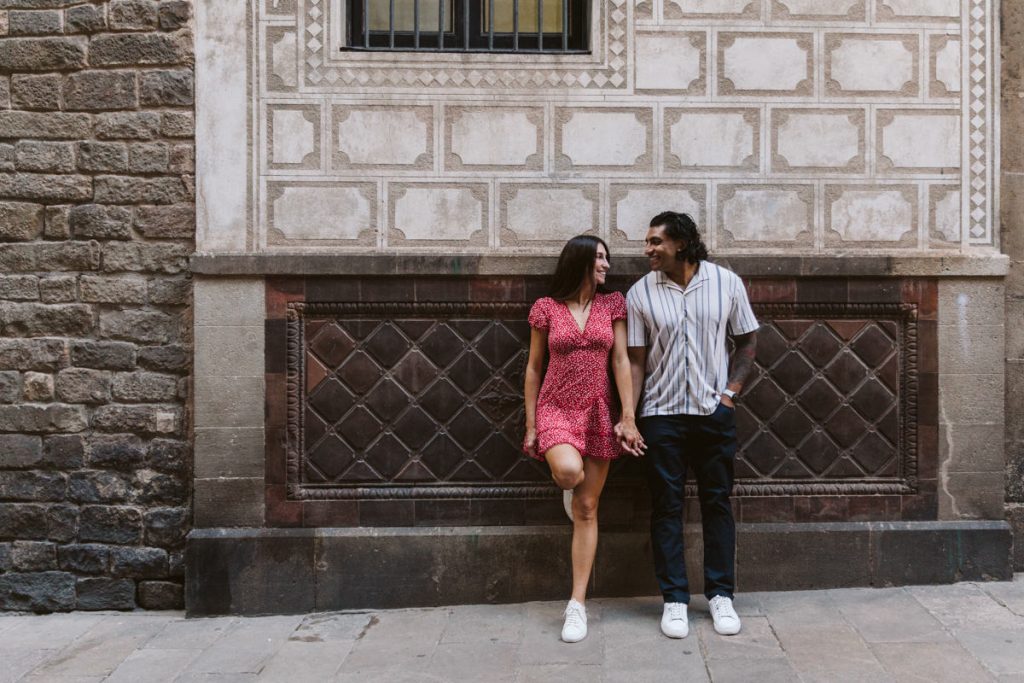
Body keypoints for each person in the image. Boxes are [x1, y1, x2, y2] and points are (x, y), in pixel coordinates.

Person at [623, 211, 758, 639]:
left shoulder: (726, 283)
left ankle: (721, 596)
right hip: (661, 415)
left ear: (680, 243)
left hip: (712, 414)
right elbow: (636, 360)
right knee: (666, 507)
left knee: (717, 503)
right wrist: (631, 415)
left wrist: (729, 394)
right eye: (647, 242)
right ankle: (675, 600)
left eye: (654, 242)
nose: (648, 250)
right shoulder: (641, 292)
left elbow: (748, 340)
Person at [523, 234, 645, 644]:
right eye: (598, 258)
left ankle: (576, 604)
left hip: (597, 409)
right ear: (577, 261)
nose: (606, 264)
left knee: (589, 508)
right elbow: (534, 367)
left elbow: (621, 360)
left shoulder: (613, 304)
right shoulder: (546, 308)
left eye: (607, 258)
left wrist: (627, 417)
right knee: (570, 473)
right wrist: (531, 424)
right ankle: (568, 485)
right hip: (556, 407)